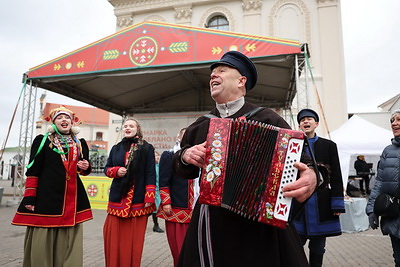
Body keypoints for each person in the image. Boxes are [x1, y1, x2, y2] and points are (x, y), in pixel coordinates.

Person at [172, 51, 319, 266]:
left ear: (242, 81)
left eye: (221, 71)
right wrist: (185, 155)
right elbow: (182, 168)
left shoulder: (267, 118)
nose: (213, 76)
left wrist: (312, 174)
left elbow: (304, 160)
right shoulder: (202, 124)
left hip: (259, 225)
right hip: (213, 222)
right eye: (212, 73)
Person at [12, 105, 93, 267]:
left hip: (72, 200)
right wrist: (29, 197)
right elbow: (33, 170)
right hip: (46, 197)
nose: (64, 120)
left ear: (72, 122)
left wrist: (85, 167)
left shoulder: (80, 143)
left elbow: (82, 169)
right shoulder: (42, 141)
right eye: (60, 118)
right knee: (43, 238)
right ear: (53, 122)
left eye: (67, 118)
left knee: (70, 238)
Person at [293, 108, 345, 267]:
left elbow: (336, 175)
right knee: (295, 245)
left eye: (309, 119)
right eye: (302, 120)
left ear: (316, 123)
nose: (305, 122)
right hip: (298, 205)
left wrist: (337, 204)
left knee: (318, 247)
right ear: (300, 125)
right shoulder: (294, 145)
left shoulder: (329, 146)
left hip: (321, 203)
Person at [103, 117, 156, 267]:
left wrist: (149, 196)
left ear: (137, 129)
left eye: (131, 126)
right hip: (117, 200)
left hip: (138, 200)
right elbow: (107, 168)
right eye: (125, 126)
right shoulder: (116, 148)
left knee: (134, 241)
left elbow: (150, 173)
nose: (127, 128)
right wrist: (115, 171)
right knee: (113, 239)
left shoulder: (147, 148)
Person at [157, 128, 197, 267]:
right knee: (179, 251)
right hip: (177, 209)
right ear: (178, 137)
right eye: (184, 134)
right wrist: (166, 201)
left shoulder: (201, 156)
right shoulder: (169, 155)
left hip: (197, 210)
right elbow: (164, 181)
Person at [366, 109, 400, 267]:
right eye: (392, 120)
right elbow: (379, 182)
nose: (394, 123)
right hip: (394, 214)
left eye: (399, 119)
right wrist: (372, 209)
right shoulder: (388, 151)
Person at [152, 150, 164, 233]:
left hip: (160, 190)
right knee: (155, 209)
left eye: (157, 156)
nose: (157, 157)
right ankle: (156, 225)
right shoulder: (152, 168)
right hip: (154, 190)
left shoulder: (161, 166)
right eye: (155, 156)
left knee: (157, 208)